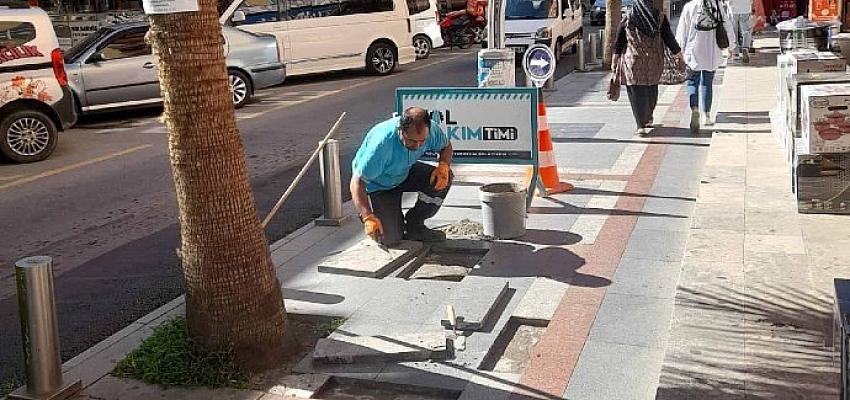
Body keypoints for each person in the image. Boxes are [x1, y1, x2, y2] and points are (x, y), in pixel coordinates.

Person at [350, 107, 454, 247]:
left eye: (422, 141)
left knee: (444, 178)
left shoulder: (430, 130)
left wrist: (443, 165)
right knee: (389, 239)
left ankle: (415, 224)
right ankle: (392, 221)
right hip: (380, 184)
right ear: (401, 130)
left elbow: (446, 147)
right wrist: (367, 216)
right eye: (411, 141)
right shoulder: (381, 146)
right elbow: (357, 183)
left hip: (405, 170)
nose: (417, 146)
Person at [612, 0, 683, 136]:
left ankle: (640, 124)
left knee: (635, 92)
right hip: (653, 61)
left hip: (633, 61)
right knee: (651, 90)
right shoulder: (659, 17)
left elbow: (619, 40)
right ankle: (647, 117)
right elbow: (669, 38)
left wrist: (615, 59)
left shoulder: (628, 17)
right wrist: (679, 54)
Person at [676, 0, 736, 133]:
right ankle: (706, 115)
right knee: (707, 82)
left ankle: (694, 109)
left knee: (692, 81)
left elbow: (682, 31)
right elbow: (727, 26)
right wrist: (731, 46)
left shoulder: (690, 7)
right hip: (712, 51)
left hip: (693, 50)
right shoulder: (717, 5)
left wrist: (679, 51)